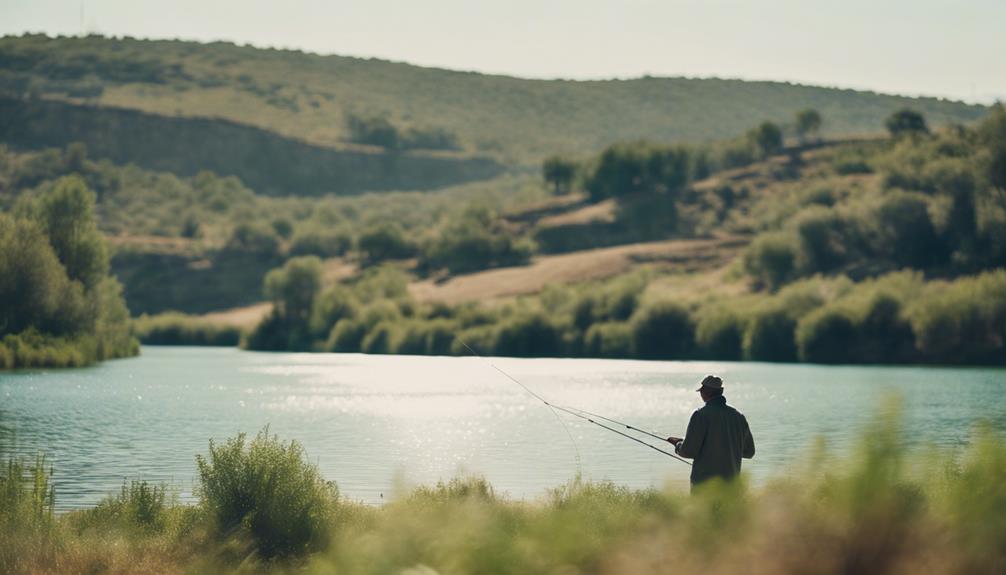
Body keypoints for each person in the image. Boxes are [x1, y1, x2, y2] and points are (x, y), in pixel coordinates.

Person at [667, 375, 754, 490]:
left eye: (702, 390)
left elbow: (688, 452)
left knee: (703, 509)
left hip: (704, 486)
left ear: (706, 392)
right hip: (732, 486)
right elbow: (749, 452)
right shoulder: (738, 416)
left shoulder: (700, 415)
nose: (701, 393)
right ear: (721, 392)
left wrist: (678, 444)